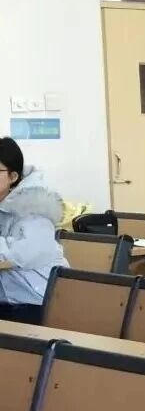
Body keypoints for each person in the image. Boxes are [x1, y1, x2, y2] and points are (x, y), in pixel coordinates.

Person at [0, 137, 67, 323]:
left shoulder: (34, 209)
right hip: (8, 298)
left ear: (13, 177)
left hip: (35, 301)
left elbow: (19, 255)